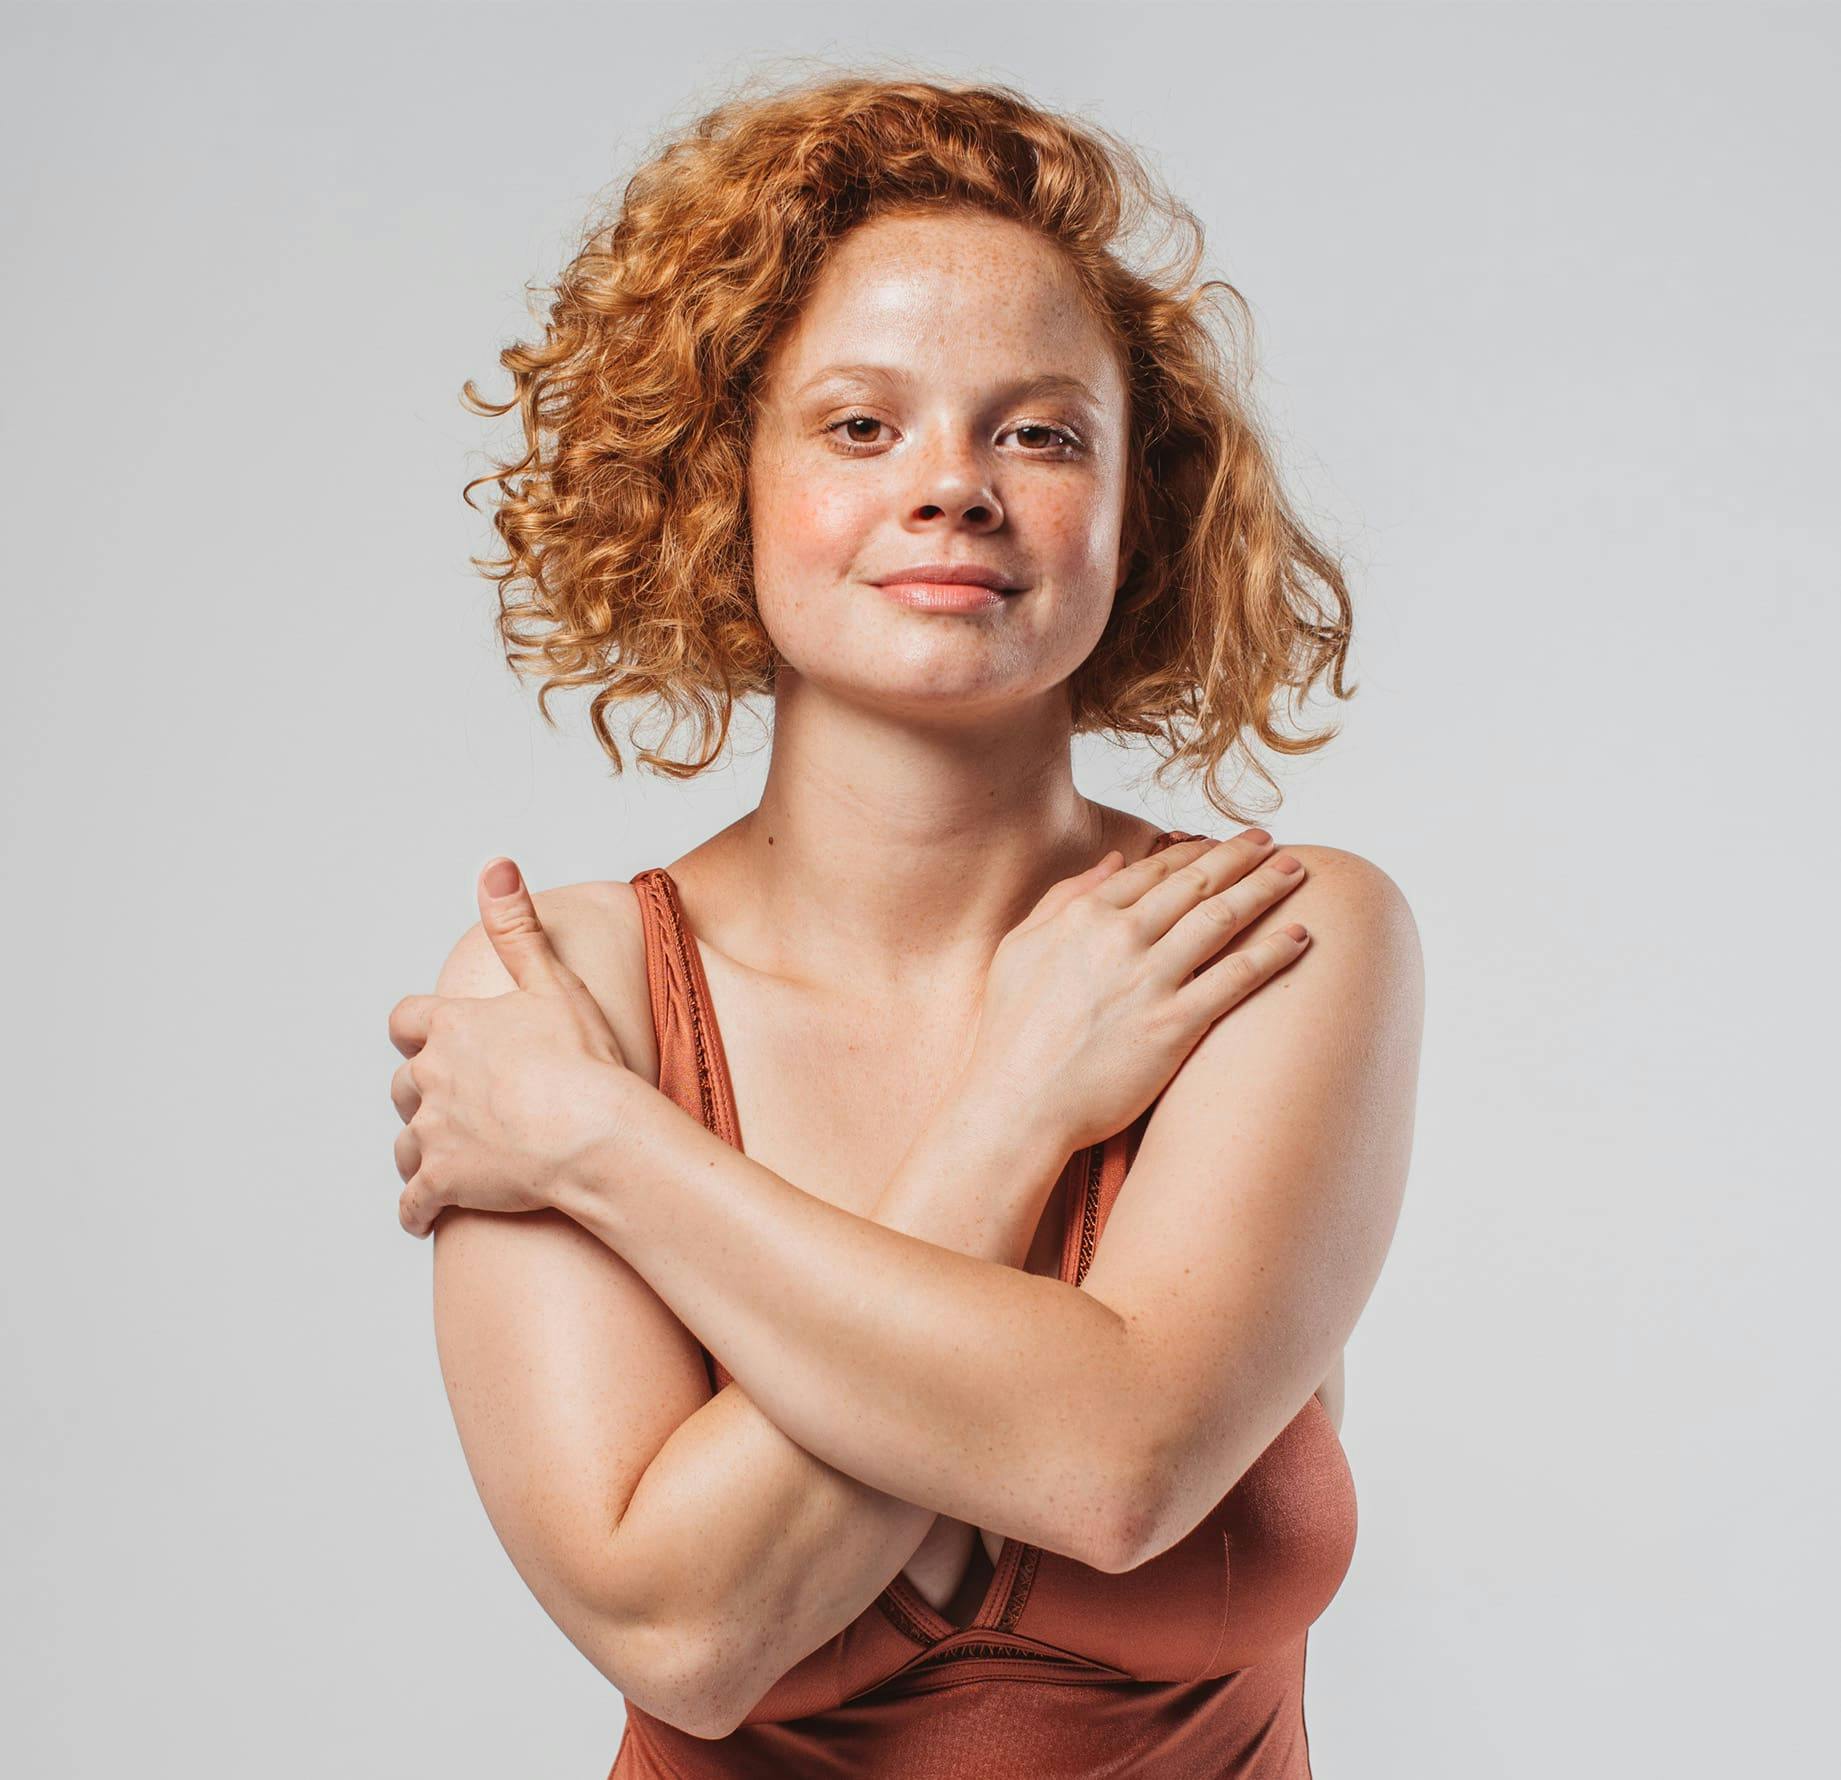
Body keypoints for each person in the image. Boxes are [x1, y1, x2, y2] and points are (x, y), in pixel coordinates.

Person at [386, 69, 1423, 1778]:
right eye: (860, 427)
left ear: (1135, 504)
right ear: (723, 486)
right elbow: (687, 1636)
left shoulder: (1278, 941)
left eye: (1037, 430)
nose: (953, 488)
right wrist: (1017, 1110)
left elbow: (1117, 1464)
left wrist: (600, 1150)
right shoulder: (565, 992)